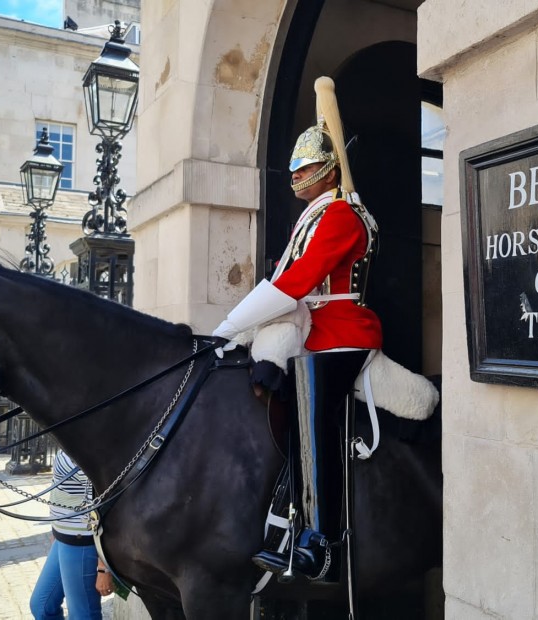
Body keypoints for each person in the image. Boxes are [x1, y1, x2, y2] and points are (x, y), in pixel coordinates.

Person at [213, 76, 380, 582]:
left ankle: (319, 542)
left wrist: (230, 326)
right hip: (314, 326)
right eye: (296, 167)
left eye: (306, 166)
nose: (297, 174)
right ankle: (282, 517)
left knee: (312, 406)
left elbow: (295, 282)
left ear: (329, 170)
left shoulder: (340, 217)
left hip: (343, 330)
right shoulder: (314, 215)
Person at [30, 450, 114, 619]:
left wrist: (104, 568)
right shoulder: (69, 435)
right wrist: (55, 529)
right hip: (62, 538)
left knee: (82, 615)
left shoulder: (94, 442)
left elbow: (108, 506)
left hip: (82, 542)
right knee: (42, 606)